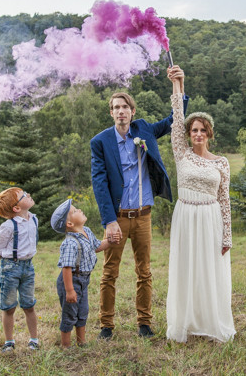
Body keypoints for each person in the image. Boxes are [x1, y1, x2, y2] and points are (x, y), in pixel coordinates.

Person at [91, 85, 188, 340]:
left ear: (132, 111)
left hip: (143, 215)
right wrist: (109, 221)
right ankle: (106, 325)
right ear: (111, 113)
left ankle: (144, 322)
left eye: (125, 107)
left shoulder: (144, 129)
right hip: (118, 219)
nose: (121, 111)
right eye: (116, 108)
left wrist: (179, 87)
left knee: (144, 271)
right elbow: (99, 183)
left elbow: (173, 122)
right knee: (110, 272)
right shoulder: (100, 142)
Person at [165, 65, 236, 343]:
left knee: (209, 271)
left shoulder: (221, 162)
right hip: (185, 215)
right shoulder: (181, 153)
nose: (197, 134)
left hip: (211, 218)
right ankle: (186, 322)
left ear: (210, 134)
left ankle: (211, 322)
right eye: (193, 130)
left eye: (202, 130)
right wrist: (178, 84)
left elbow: (224, 199)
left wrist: (227, 234)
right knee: (186, 269)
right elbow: (176, 118)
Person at [51, 199, 112, 347]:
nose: (79, 210)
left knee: (83, 311)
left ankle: (81, 341)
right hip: (71, 281)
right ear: (70, 224)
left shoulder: (87, 231)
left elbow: (97, 247)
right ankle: (66, 346)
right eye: (74, 211)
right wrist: (70, 290)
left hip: (84, 280)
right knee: (70, 313)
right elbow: (66, 268)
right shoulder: (70, 243)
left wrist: (111, 241)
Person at [0, 187, 40, 351]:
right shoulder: (8, 226)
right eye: (24, 196)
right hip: (10, 267)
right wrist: (8, 259)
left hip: (28, 267)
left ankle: (34, 339)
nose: (29, 194)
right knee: (9, 306)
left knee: (29, 304)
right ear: (16, 208)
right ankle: (9, 341)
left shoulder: (34, 219)